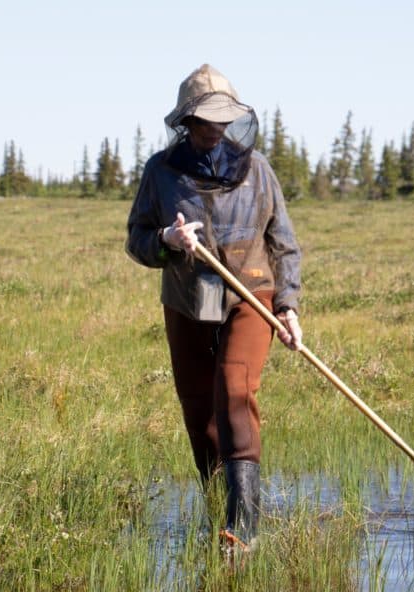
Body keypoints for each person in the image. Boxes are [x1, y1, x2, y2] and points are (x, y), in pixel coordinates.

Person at [126, 64, 302, 550]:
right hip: (186, 300)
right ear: (186, 121)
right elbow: (136, 239)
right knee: (199, 408)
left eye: (223, 119)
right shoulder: (161, 172)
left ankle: (243, 523)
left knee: (233, 390)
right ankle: (216, 508)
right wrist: (167, 239)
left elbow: (284, 242)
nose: (216, 128)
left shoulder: (257, 169)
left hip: (252, 295)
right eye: (206, 120)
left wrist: (288, 307)